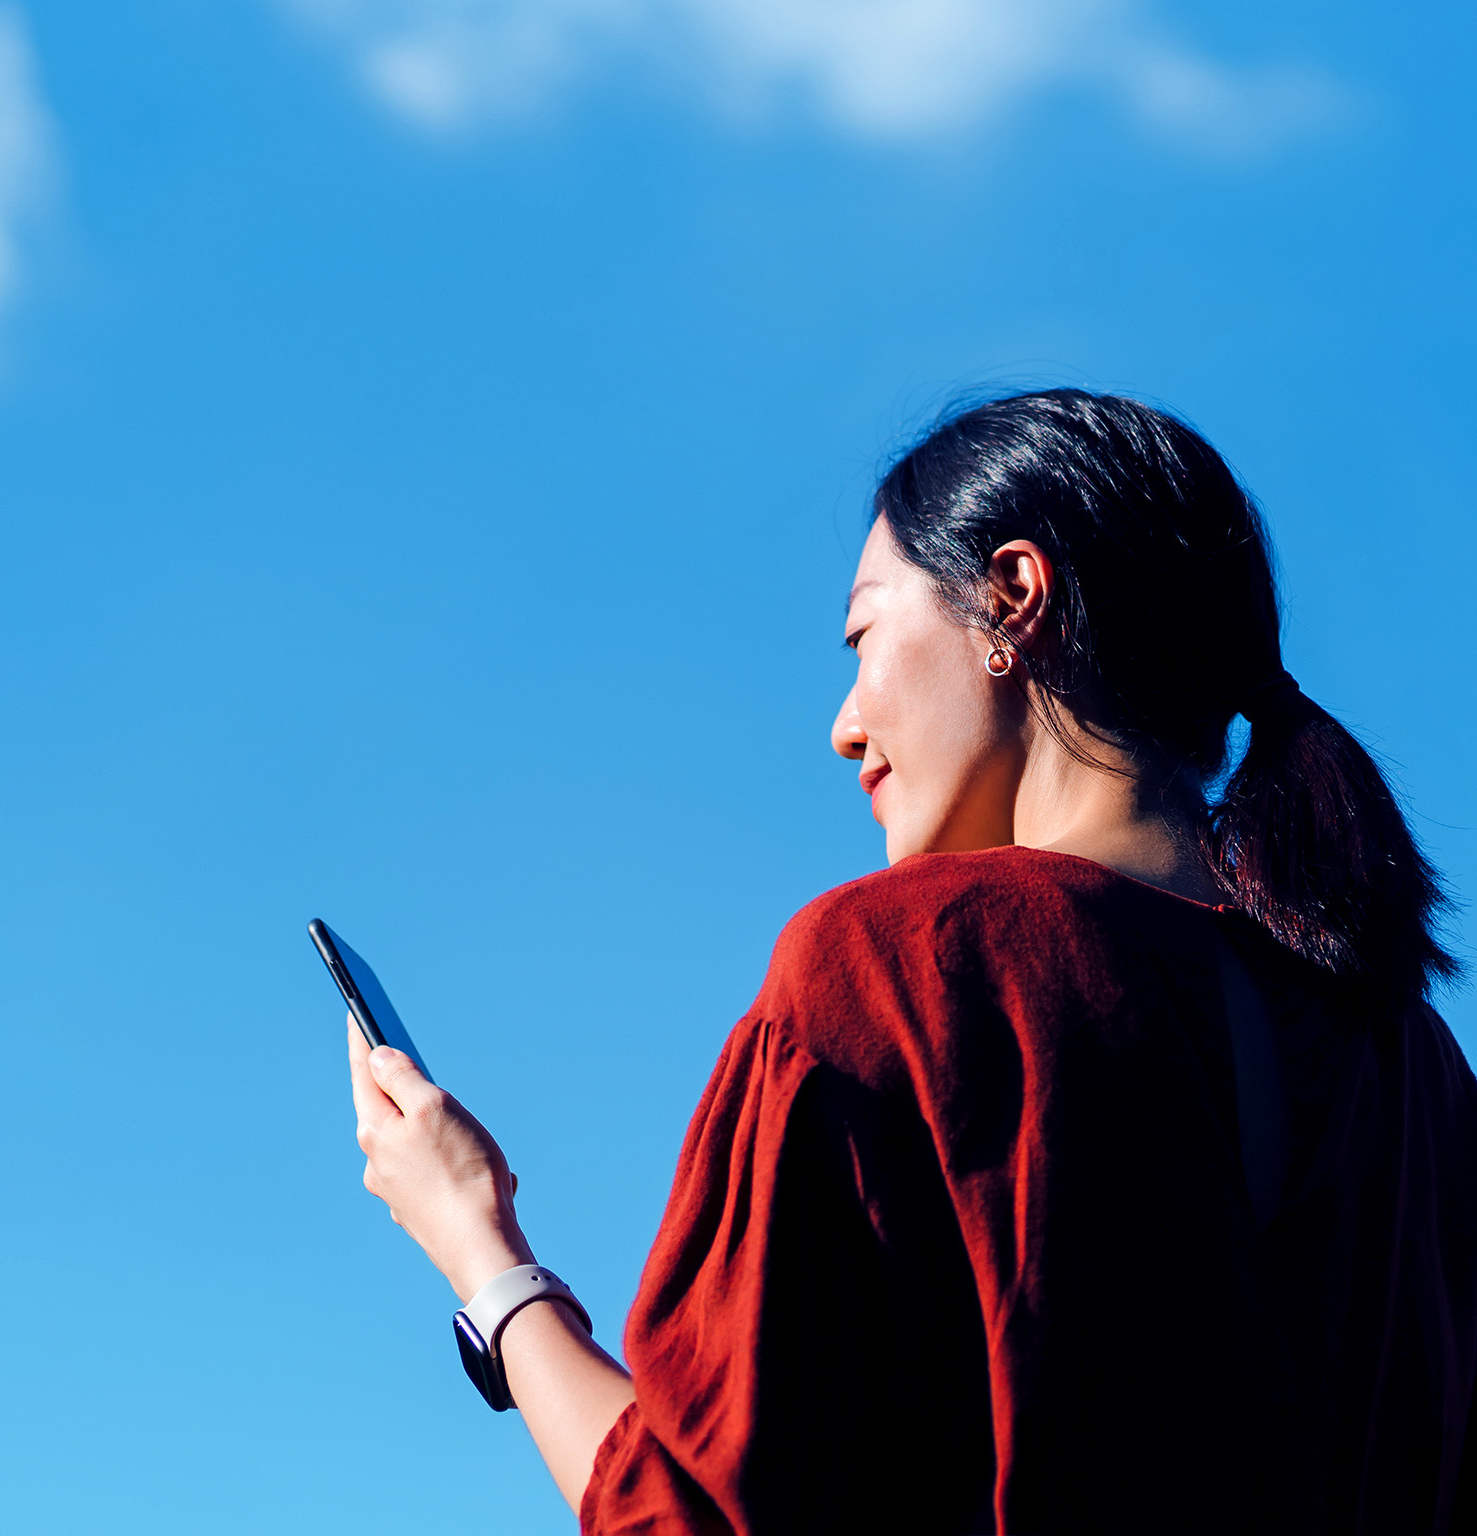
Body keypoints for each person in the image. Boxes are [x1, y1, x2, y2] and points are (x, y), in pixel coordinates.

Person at [347, 390, 1477, 1534]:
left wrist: (480, 1249)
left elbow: (692, 1513)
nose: (845, 724)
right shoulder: (1415, 1059)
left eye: (864, 635)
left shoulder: (898, 965)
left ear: (1012, 599)